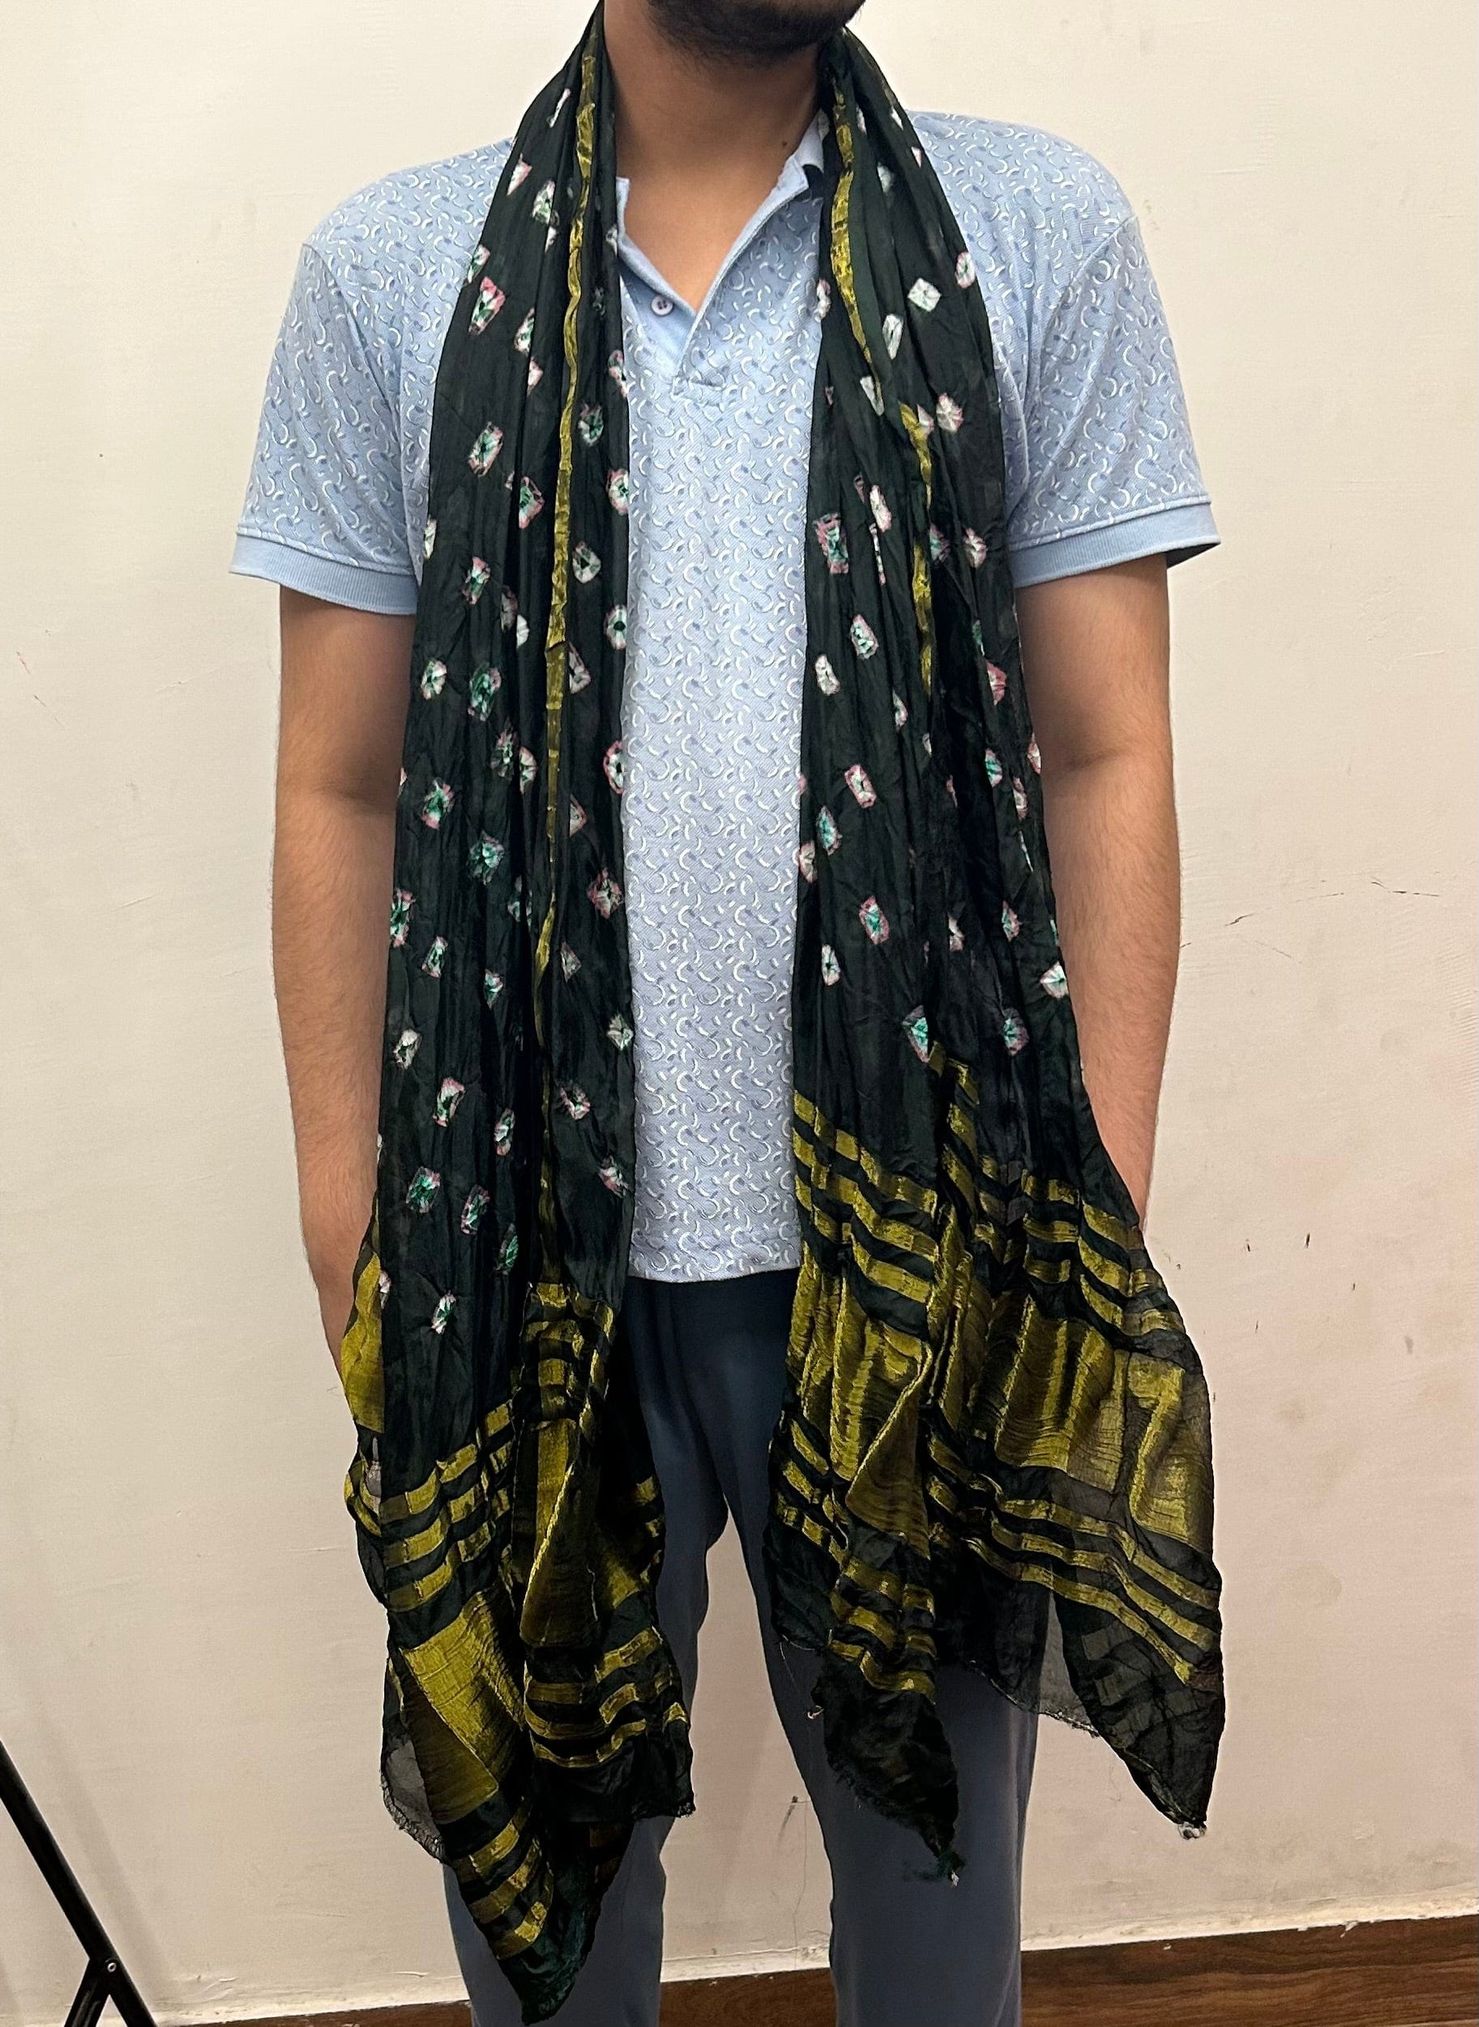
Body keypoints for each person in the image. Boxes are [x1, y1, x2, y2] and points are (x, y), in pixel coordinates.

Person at [231, 1, 1221, 2021]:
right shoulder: (392, 271)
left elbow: (1103, 750)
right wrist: (348, 1204)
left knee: (937, 1911)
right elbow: (340, 784)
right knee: (546, 1926)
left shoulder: (1035, 233)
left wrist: (1089, 1191)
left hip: (926, 1254)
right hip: (518, 1262)